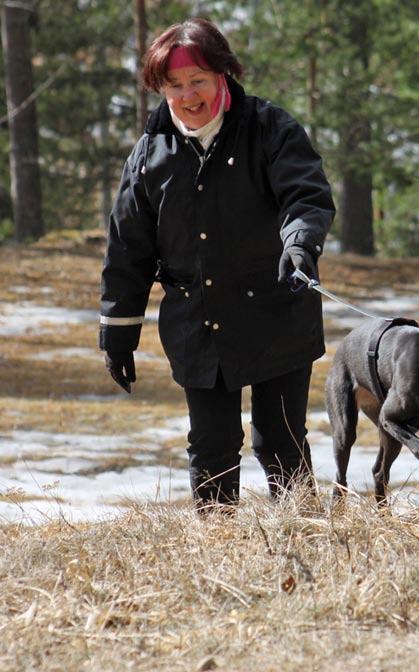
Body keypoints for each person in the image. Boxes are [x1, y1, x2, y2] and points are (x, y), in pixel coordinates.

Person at [100, 17, 335, 507]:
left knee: (280, 440)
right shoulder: (149, 154)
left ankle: (306, 539)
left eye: (198, 81)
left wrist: (300, 246)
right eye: (174, 86)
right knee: (212, 448)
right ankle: (217, 552)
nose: (188, 97)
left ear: (223, 76)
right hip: (197, 320)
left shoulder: (271, 128)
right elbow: (129, 248)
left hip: (276, 306)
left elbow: (305, 196)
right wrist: (118, 333)